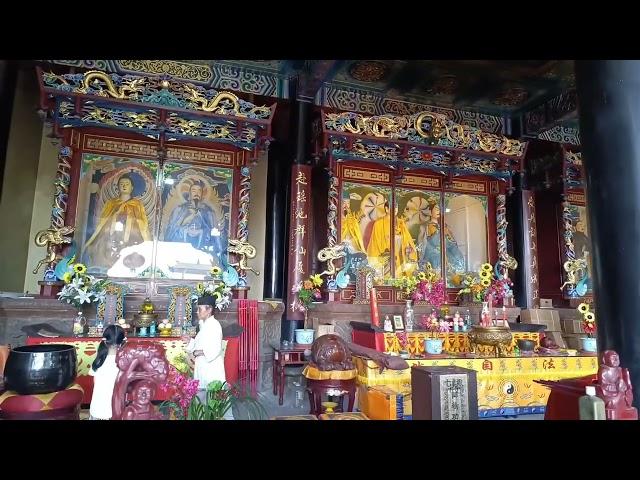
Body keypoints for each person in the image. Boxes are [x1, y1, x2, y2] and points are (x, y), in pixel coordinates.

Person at [84, 173, 151, 269]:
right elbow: (103, 219)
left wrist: (130, 218)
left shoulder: (137, 204)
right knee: (102, 247)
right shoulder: (111, 203)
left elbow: (143, 222)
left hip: (131, 236)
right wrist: (115, 217)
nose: (124, 186)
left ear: (131, 188)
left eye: (127, 184)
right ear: (118, 187)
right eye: (121, 184)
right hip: (112, 235)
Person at [182, 294, 232, 419]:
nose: (197, 312)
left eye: (200, 309)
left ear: (209, 310)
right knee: (202, 403)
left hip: (212, 371)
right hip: (202, 368)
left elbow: (214, 350)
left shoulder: (214, 326)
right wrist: (190, 341)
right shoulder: (203, 325)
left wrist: (196, 353)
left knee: (217, 405)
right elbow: (198, 345)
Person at [164, 180, 221, 254]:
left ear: (202, 194)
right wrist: (189, 220)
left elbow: (214, 233)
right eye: (194, 191)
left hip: (202, 250)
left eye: (199, 191)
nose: (196, 193)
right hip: (180, 248)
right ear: (189, 194)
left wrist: (201, 231)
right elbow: (172, 230)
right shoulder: (180, 209)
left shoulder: (208, 212)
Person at [89, 324, 126, 420]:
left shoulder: (98, 361)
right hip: (116, 411)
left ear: (105, 342)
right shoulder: (124, 364)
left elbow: (95, 382)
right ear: (123, 342)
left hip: (97, 409)